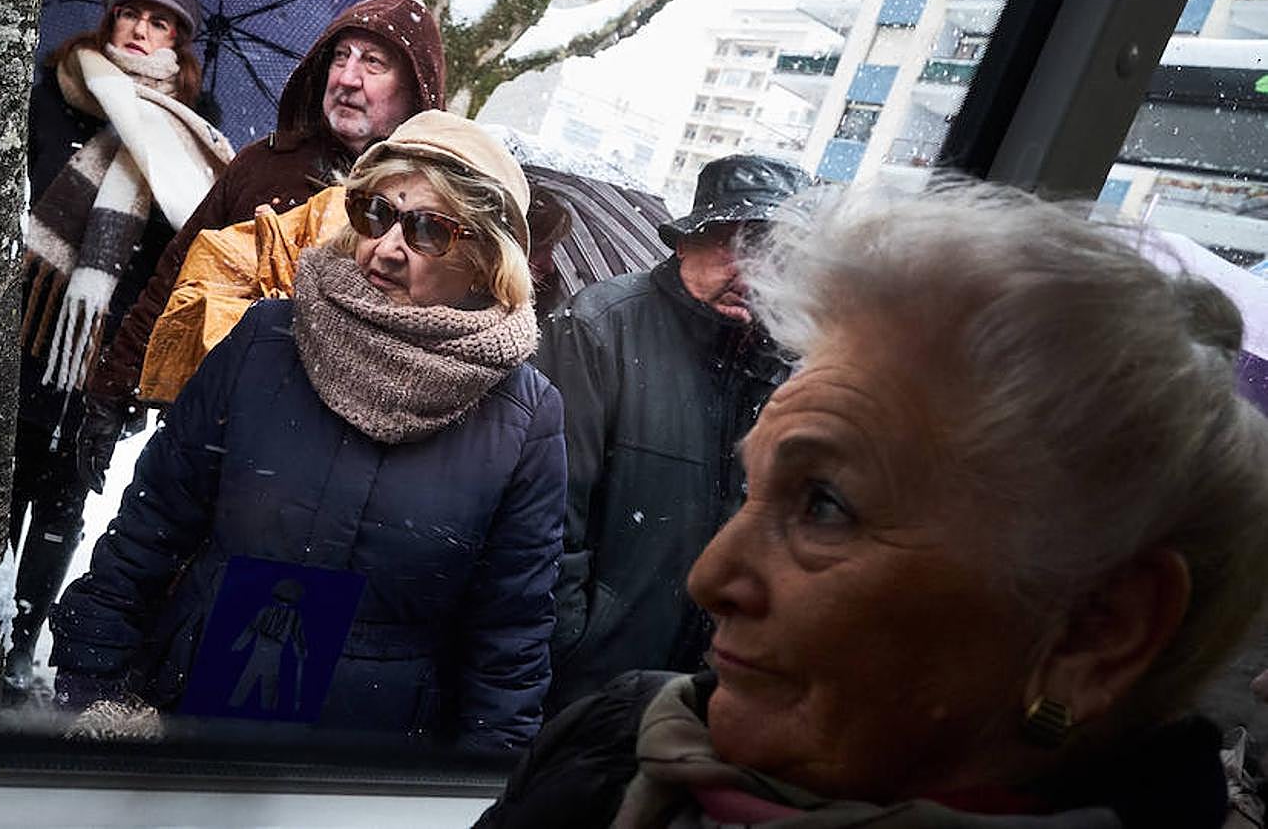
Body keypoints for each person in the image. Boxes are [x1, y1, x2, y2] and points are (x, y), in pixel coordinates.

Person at [477, 181, 1268, 828]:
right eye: (755, 489)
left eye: (824, 507)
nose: (711, 578)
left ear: (1098, 630)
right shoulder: (611, 743)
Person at [48, 112, 565, 751]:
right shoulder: (266, 338)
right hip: (194, 705)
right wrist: (91, 681)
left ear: (487, 258)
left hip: (363, 754)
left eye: (428, 228)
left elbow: (508, 630)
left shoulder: (524, 417)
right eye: (375, 212)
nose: (387, 246)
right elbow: (152, 525)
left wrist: (477, 786)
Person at [77, 0, 446, 491]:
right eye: (340, 58)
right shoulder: (264, 164)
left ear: (416, 88)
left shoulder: (433, 208)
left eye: (373, 63)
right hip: (205, 432)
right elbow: (176, 275)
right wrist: (113, 389)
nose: (347, 78)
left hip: (328, 467)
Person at [7, 0, 233, 694]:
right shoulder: (59, 93)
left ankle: (20, 641)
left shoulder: (198, 132)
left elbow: (186, 247)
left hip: (105, 350)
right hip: (24, 329)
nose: (140, 30)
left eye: (159, 20)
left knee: (62, 505)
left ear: (181, 41)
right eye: (130, 14)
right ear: (108, 20)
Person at [536, 154, 808, 710]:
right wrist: (571, 645)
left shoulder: (793, 358)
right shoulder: (598, 329)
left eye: (772, 251)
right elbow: (548, 520)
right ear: (683, 243)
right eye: (730, 242)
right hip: (587, 686)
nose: (750, 271)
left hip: (704, 691)